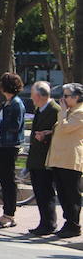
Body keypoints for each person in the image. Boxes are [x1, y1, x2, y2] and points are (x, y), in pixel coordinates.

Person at [0, 73, 25, 229]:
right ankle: (7, 213)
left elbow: (15, 125)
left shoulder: (16, 104)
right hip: (2, 145)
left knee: (8, 181)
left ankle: (9, 214)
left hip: (9, 146)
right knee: (4, 179)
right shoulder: (7, 103)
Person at [44, 83, 83, 238]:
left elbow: (67, 127)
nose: (63, 99)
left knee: (71, 194)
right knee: (62, 193)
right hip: (60, 159)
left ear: (77, 97)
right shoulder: (69, 111)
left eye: (66, 96)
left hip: (70, 159)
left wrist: (62, 112)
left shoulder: (79, 112)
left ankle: (74, 225)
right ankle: (68, 222)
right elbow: (60, 128)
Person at [27, 81, 61, 235]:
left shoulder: (55, 110)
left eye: (33, 95)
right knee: (39, 193)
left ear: (39, 96)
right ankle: (43, 222)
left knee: (46, 192)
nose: (31, 98)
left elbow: (60, 133)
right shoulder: (40, 109)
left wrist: (46, 137)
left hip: (46, 158)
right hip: (36, 158)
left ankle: (49, 224)